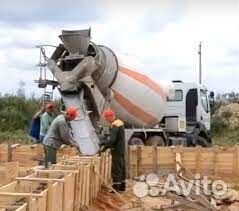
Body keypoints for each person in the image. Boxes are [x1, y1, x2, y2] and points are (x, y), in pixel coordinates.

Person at [101, 108, 126, 192]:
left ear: (110, 116)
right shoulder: (120, 122)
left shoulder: (115, 125)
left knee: (116, 168)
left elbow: (112, 139)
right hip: (121, 148)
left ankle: (116, 188)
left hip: (116, 150)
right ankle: (122, 186)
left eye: (106, 118)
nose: (106, 120)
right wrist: (105, 143)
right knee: (121, 167)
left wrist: (104, 147)